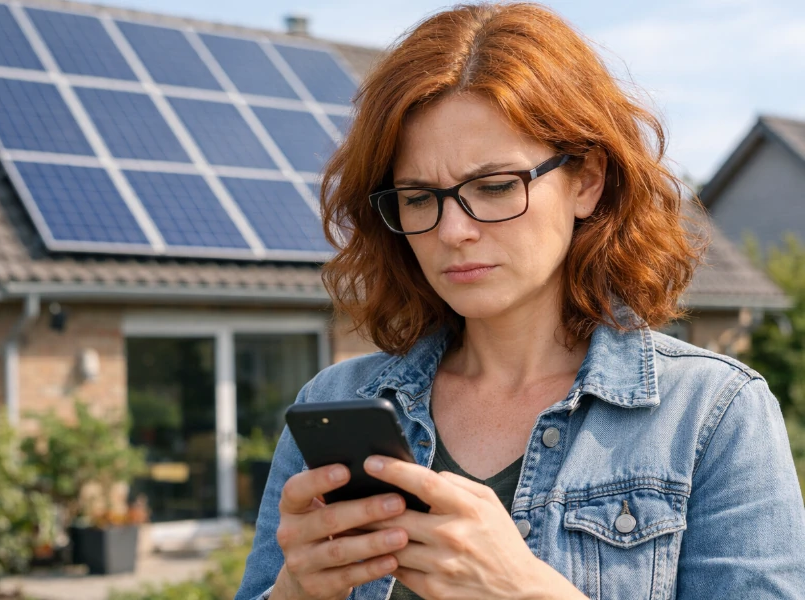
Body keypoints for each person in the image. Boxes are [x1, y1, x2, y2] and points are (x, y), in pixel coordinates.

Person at [235, 3, 805, 599]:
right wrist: (293, 591)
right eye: (419, 197)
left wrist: (526, 591)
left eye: (495, 186)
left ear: (586, 180)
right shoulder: (335, 401)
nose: (452, 231)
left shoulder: (712, 414)